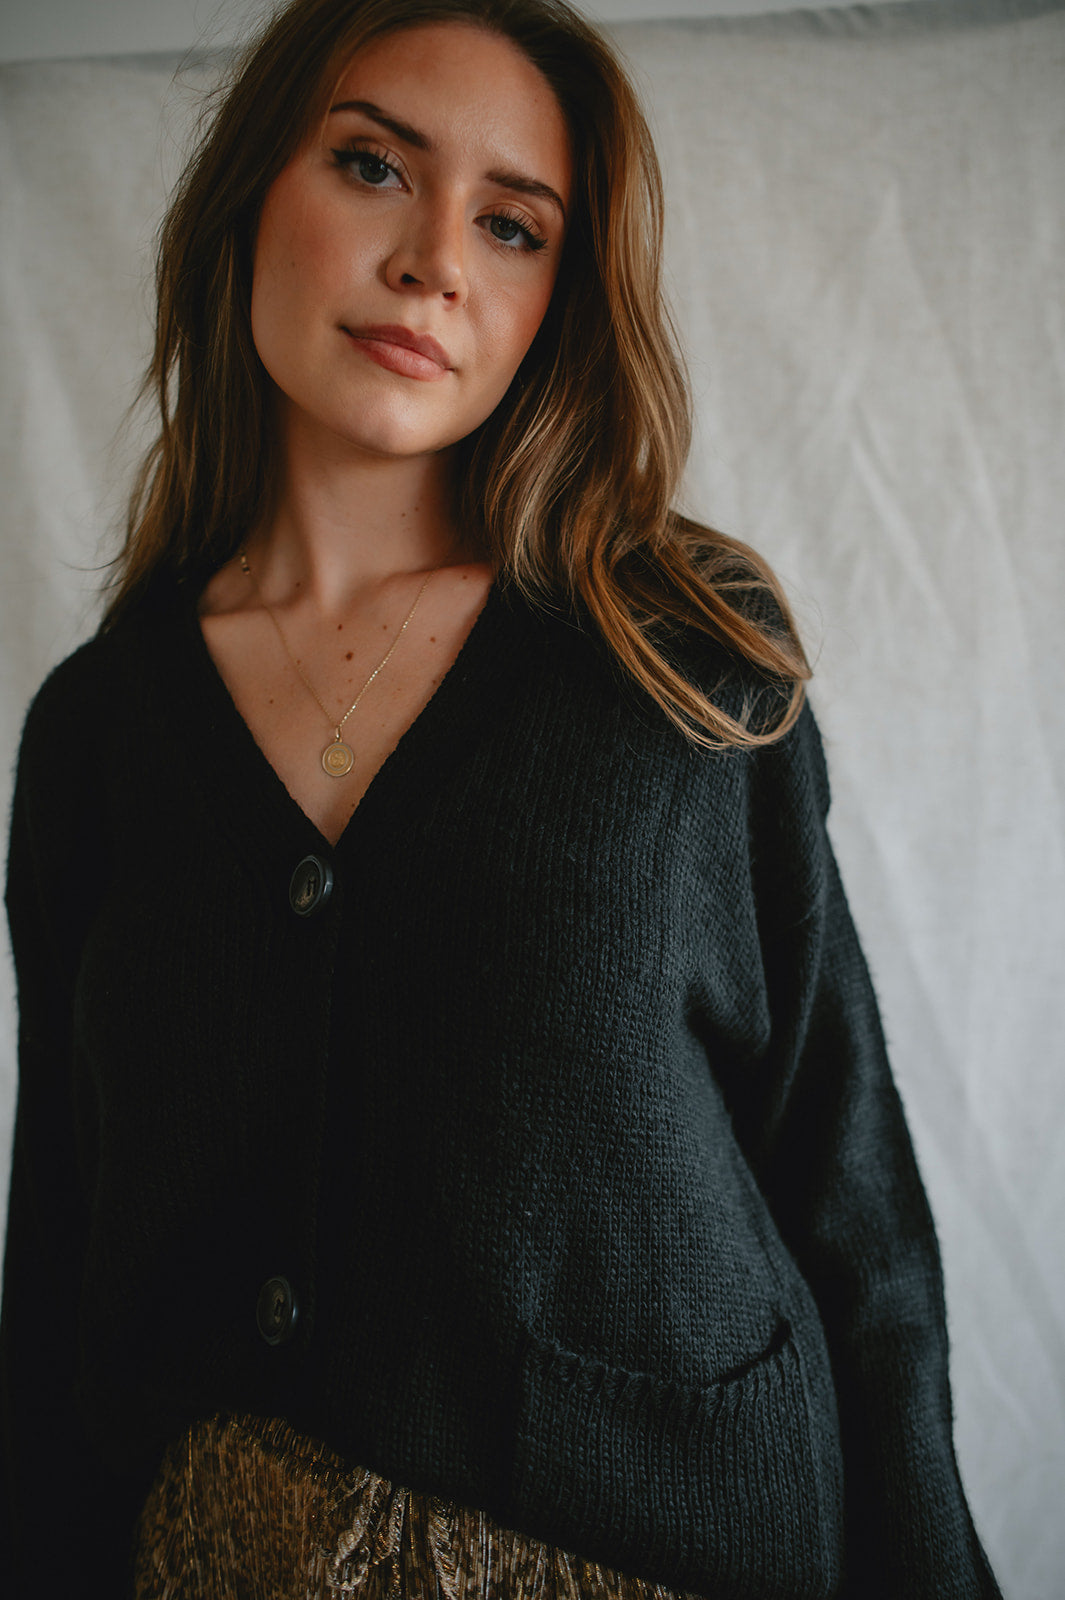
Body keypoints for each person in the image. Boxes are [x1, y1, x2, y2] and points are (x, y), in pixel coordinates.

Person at [0, 0, 1001, 1595]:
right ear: (249, 194)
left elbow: (846, 1197)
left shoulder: (677, 660)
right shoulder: (100, 736)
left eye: (511, 225)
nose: (433, 264)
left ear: (557, 298)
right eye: (372, 167)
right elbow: (60, 1242)